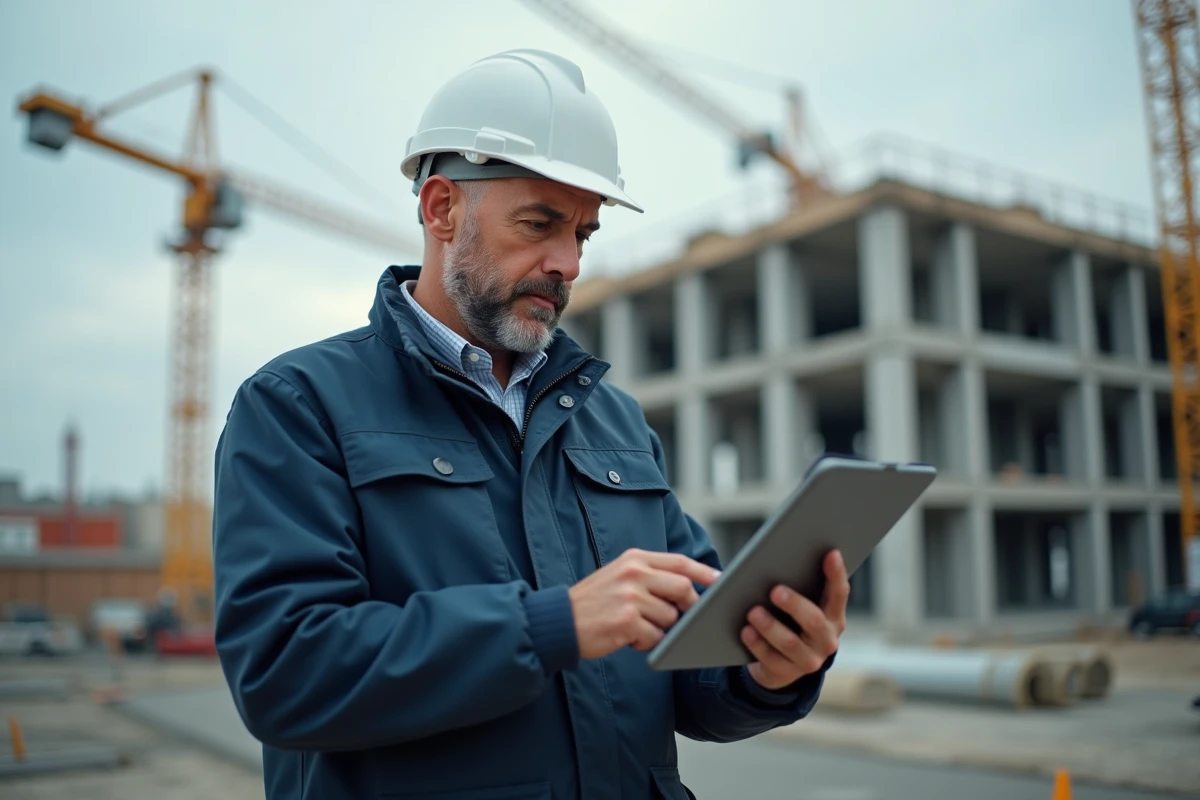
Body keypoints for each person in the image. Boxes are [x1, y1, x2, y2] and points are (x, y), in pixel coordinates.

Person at [211, 48, 847, 800]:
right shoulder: (299, 405)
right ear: (441, 208)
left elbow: (689, 668)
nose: (568, 262)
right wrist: (551, 626)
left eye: (583, 234)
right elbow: (285, 674)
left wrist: (766, 671)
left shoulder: (614, 421)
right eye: (540, 223)